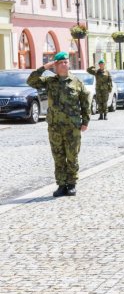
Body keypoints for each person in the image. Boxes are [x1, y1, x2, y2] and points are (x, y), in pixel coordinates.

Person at [27, 52, 90, 197]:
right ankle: (61, 185)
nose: (64, 64)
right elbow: (31, 81)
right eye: (60, 62)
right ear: (55, 65)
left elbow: (85, 103)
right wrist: (44, 67)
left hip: (72, 127)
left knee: (72, 156)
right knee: (58, 156)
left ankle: (72, 184)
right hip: (55, 127)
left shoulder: (77, 82)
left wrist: (85, 121)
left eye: (66, 62)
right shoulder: (49, 81)